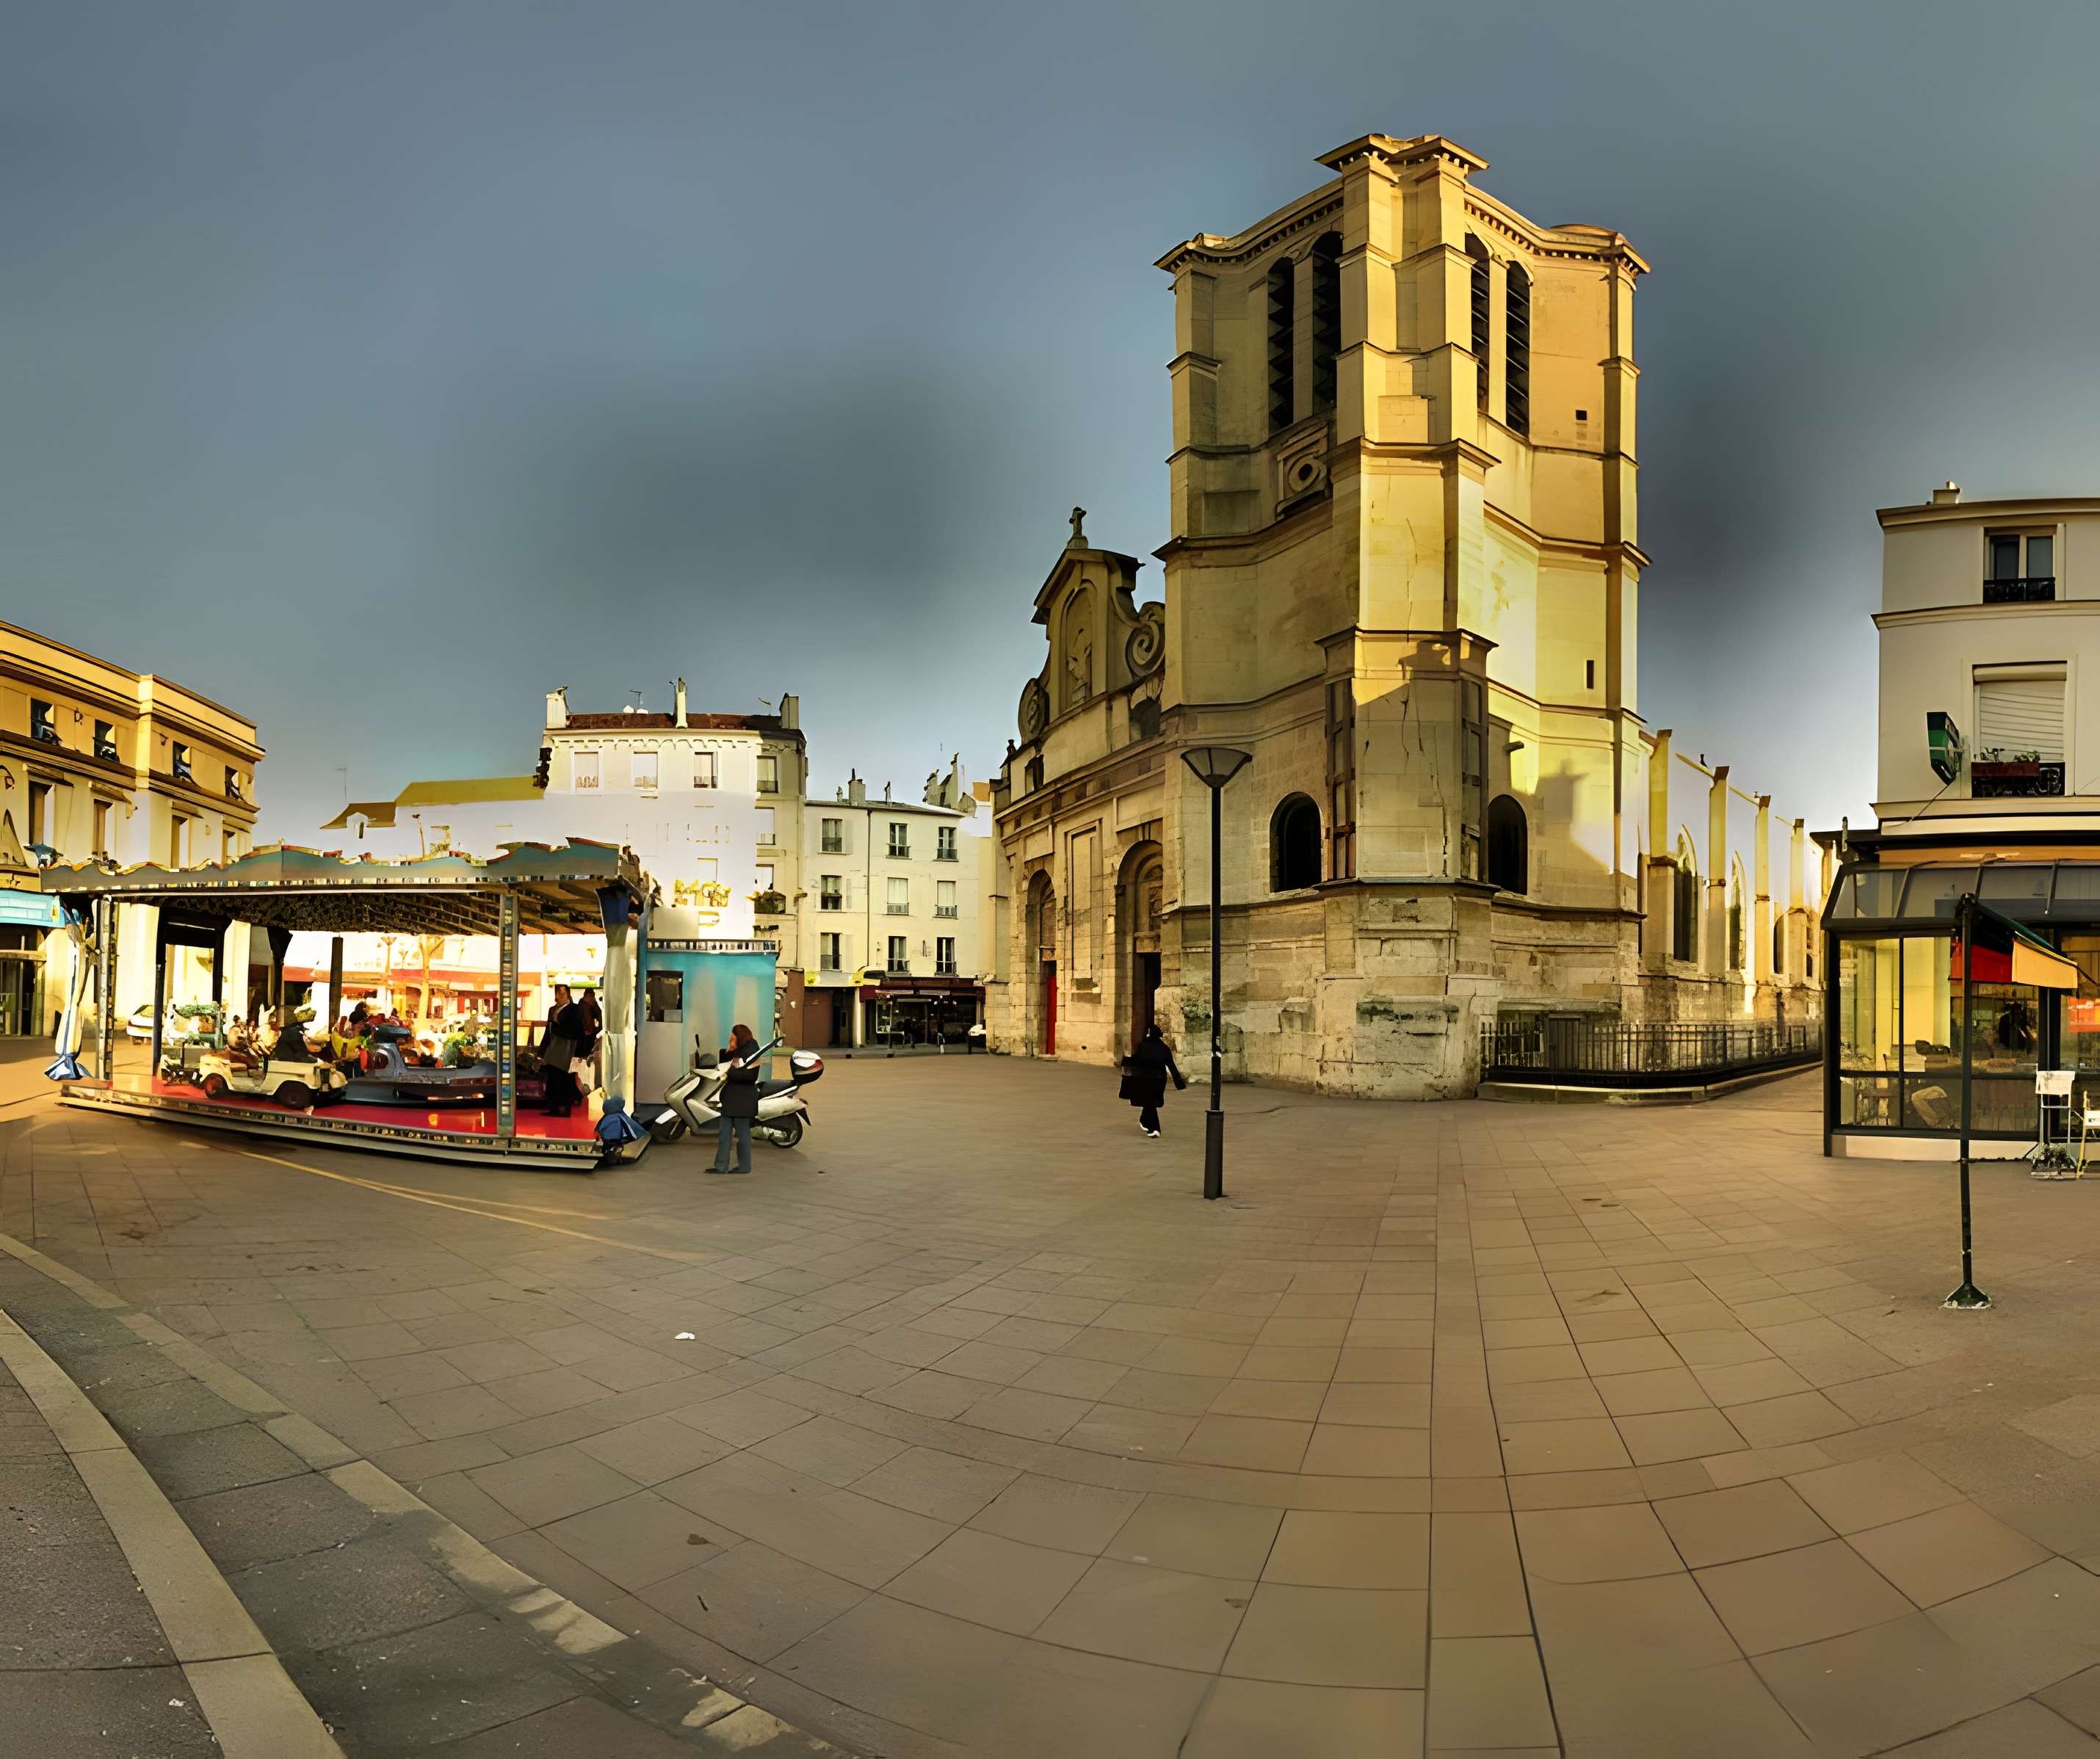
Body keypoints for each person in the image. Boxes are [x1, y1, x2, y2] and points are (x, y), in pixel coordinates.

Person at [708, 1023, 762, 1175]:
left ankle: (744, 1167)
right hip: (732, 1099)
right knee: (724, 1134)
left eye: (733, 1040)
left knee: (743, 1136)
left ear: (741, 1038)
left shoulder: (753, 1053)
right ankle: (721, 1166)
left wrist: (730, 1073)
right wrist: (729, 1050)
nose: (731, 1042)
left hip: (743, 1101)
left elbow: (751, 1076)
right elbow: (727, 1061)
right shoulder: (740, 1050)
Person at [1120, 1023, 1185, 1138]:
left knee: (1149, 1102)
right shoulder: (1164, 1048)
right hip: (1158, 1081)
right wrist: (1178, 1081)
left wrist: (1125, 1062)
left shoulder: (1143, 1046)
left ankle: (1152, 1126)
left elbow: (1136, 1061)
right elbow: (1171, 1065)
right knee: (1150, 1102)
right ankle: (1150, 1125)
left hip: (1145, 1080)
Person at [540, 989, 584, 1117]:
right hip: (555, 1049)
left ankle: (565, 1108)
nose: (558, 998)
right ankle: (555, 1107)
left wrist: (557, 1028)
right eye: (558, 995)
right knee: (554, 1079)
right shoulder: (553, 1010)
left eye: (562, 995)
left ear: (568, 996)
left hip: (566, 1050)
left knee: (564, 1079)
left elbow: (575, 1030)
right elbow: (549, 1031)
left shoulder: (574, 1010)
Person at [577, 987, 604, 1084]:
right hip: (586, 1033)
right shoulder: (583, 1004)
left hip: (590, 1033)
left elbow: (599, 1015)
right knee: (585, 1055)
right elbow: (598, 1015)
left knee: (587, 1055)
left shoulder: (591, 1004)